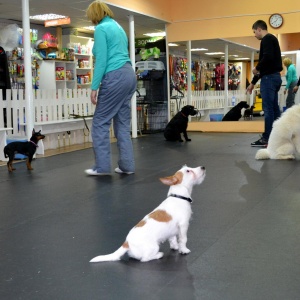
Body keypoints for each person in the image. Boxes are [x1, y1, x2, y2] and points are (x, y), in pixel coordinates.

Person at [85, 1, 136, 175]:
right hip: (129, 74)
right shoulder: (118, 27)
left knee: (100, 123)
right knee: (122, 123)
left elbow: (102, 61)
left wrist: (94, 87)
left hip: (114, 76)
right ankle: (127, 166)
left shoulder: (101, 29)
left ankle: (102, 167)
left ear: (94, 14)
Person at [246, 20, 283, 147]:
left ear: (259, 29)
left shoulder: (266, 39)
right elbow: (267, 64)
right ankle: (279, 137)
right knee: (274, 109)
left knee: (268, 110)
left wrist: (257, 67)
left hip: (269, 79)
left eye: (254, 31)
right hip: (275, 77)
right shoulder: (273, 39)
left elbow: (266, 58)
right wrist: (252, 83)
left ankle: (267, 138)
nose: (254, 35)